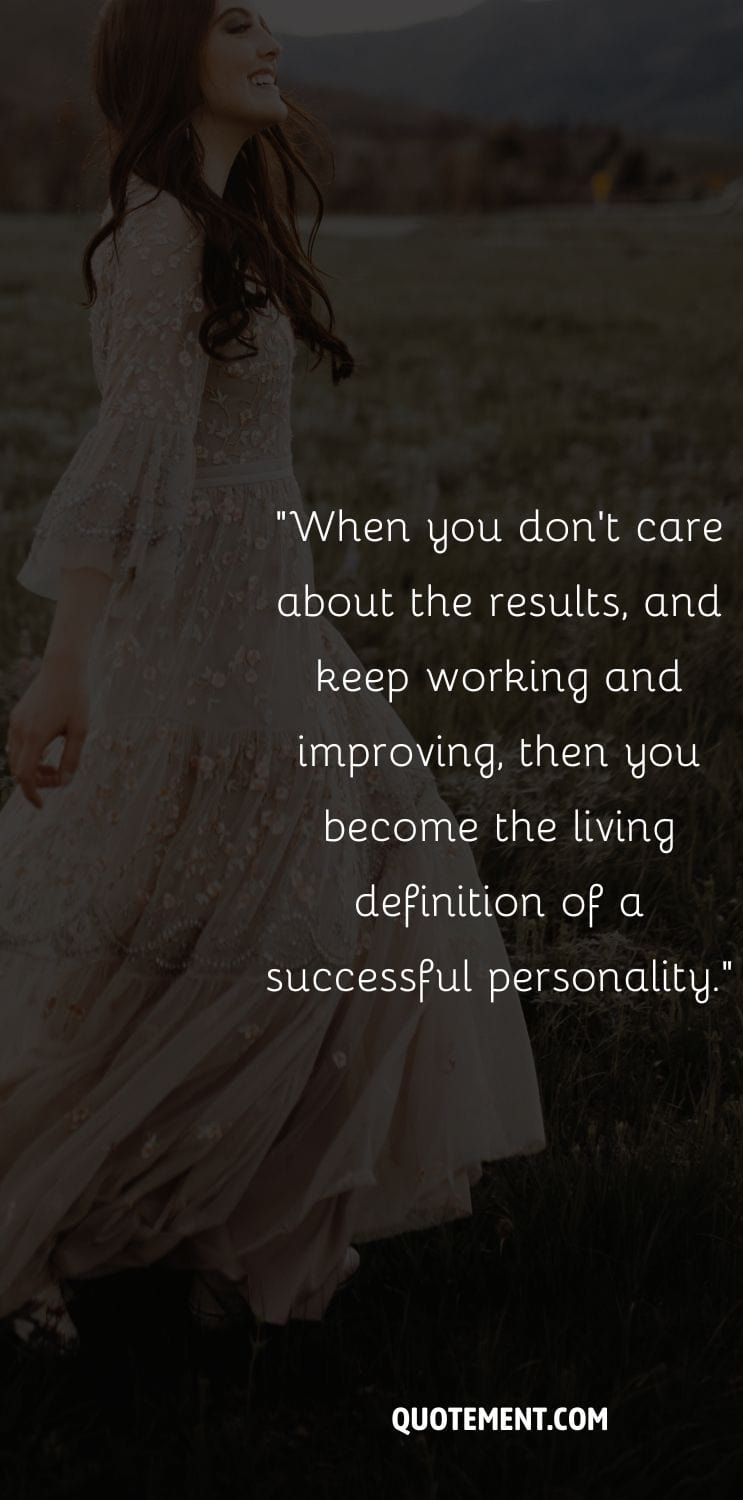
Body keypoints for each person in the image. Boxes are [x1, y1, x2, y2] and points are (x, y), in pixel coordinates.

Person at [0, 0, 545, 1354]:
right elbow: (133, 449)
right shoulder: (164, 230)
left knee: (281, 919)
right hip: (203, 638)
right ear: (165, 48)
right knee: (207, 930)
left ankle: (219, 1218)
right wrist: (68, 666)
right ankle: (44, 1220)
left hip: (264, 617)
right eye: (235, 19)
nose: (271, 40)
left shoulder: (223, 217)